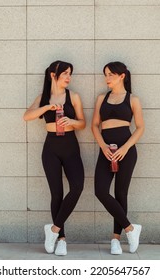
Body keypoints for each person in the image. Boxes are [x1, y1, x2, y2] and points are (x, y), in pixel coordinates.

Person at [23, 60, 85, 256]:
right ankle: (62, 240)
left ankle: (54, 229)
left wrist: (72, 121)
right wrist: (47, 108)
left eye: (70, 73)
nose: (68, 77)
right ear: (52, 75)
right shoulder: (43, 97)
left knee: (77, 187)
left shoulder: (73, 96)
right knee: (56, 194)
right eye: (65, 73)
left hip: (70, 145)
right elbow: (27, 116)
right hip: (50, 148)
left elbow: (83, 123)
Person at [91, 61, 144, 255]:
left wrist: (125, 148)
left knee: (121, 194)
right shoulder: (101, 99)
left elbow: (140, 127)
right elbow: (95, 126)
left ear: (122, 76)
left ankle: (116, 239)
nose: (107, 78)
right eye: (105, 74)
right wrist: (103, 146)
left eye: (110, 74)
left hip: (126, 151)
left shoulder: (133, 99)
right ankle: (131, 228)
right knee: (101, 191)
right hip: (106, 151)